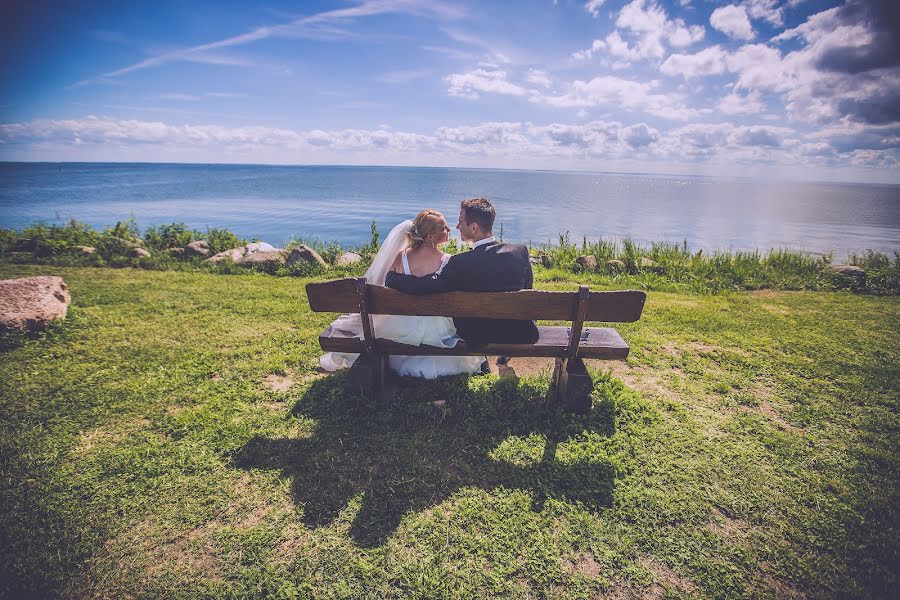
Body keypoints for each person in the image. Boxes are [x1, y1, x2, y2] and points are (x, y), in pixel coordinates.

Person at [319, 209, 485, 378]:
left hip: (400, 324)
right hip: (436, 330)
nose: (449, 230)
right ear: (430, 237)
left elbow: (387, 285)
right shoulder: (448, 261)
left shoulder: (399, 258)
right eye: (444, 228)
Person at [385, 198, 539, 348]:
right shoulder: (520, 252)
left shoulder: (460, 263)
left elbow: (424, 286)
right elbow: (528, 289)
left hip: (477, 336)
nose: (457, 226)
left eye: (460, 222)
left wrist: (392, 278)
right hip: (521, 333)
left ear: (473, 227)